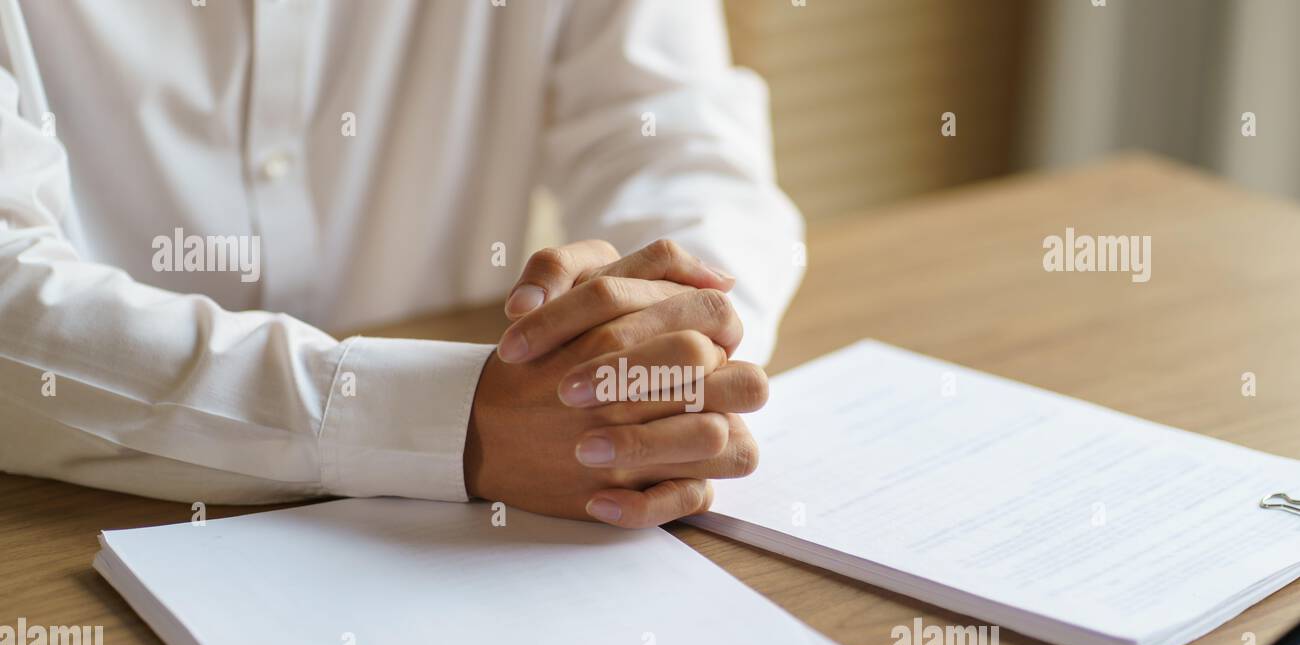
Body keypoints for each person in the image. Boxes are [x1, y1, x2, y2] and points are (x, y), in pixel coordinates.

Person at [0, 0, 803, 528]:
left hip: (506, 520)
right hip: (72, 523)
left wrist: (667, 354)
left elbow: (679, 144)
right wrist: (455, 422)